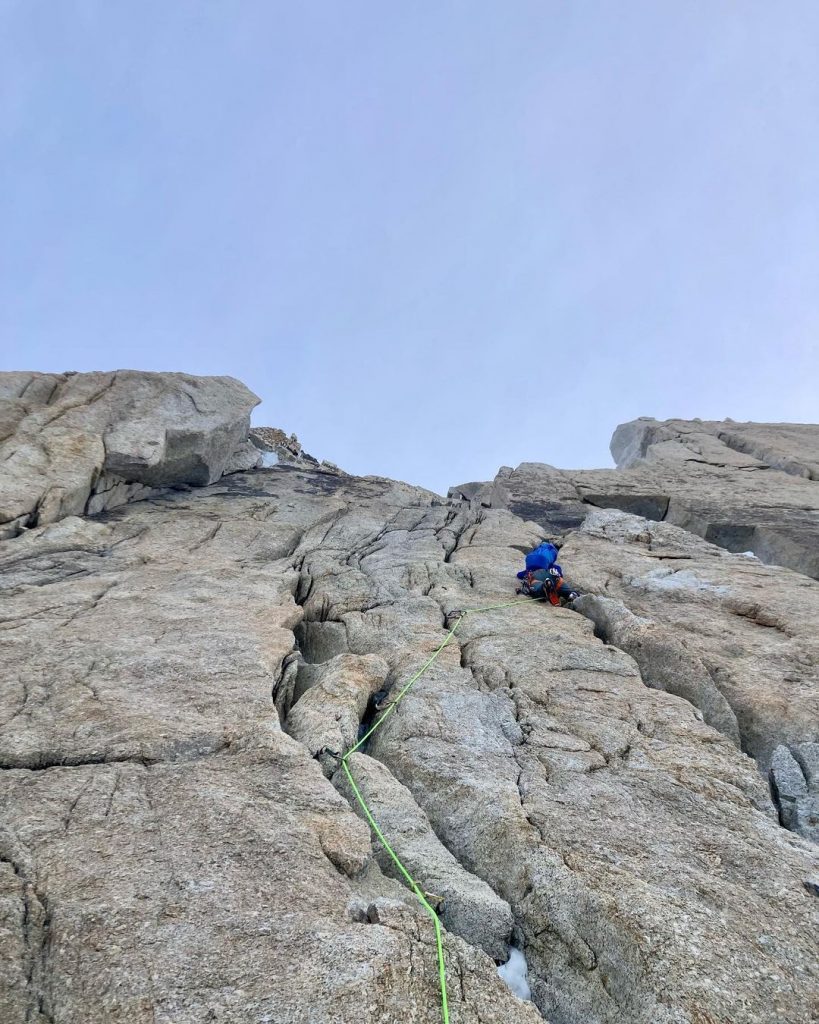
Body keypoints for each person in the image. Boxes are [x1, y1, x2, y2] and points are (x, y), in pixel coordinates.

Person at [515, 541, 580, 606]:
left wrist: (522, 575)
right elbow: (557, 568)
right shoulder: (553, 553)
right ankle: (571, 593)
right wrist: (559, 576)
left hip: (531, 563)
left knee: (536, 584)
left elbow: (519, 575)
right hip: (542, 565)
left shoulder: (538, 550)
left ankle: (545, 586)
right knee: (558, 582)